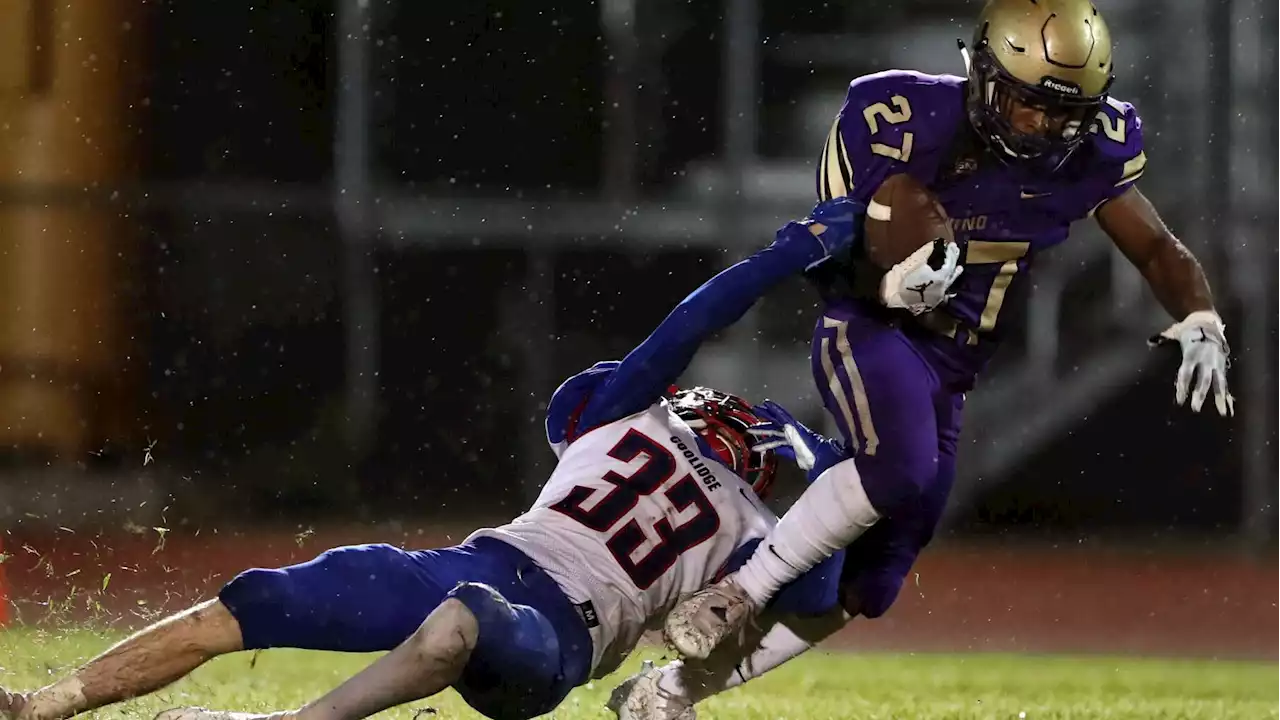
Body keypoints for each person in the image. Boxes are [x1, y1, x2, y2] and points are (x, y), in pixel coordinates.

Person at [0, 203, 882, 720]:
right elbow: (817, 596)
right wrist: (822, 451)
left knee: (464, 619)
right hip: (478, 559)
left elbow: (689, 332)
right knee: (251, 598)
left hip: (556, 637)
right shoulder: (724, 486)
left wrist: (782, 258)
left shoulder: (745, 514)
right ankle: (35, 708)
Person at [658, 0, 1235, 667]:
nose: (1046, 128)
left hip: (954, 363)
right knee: (900, 465)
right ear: (984, 75)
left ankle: (674, 692)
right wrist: (894, 277)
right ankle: (737, 590)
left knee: (873, 581)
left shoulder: (1094, 150)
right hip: (872, 326)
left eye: (1066, 114)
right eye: (1029, 105)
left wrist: (1199, 316)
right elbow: (839, 236)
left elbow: (1158, 247)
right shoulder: (904, 119)